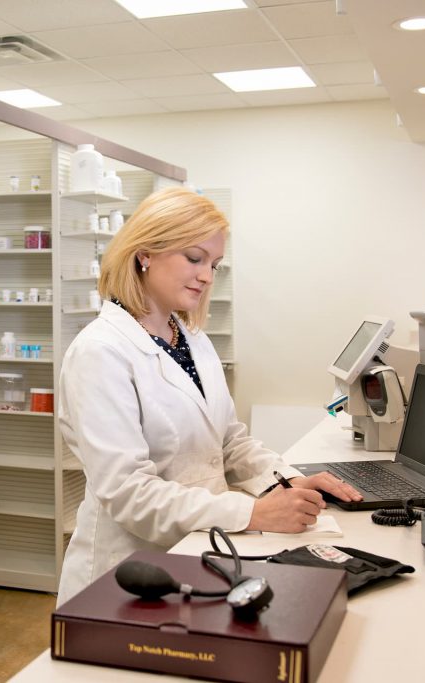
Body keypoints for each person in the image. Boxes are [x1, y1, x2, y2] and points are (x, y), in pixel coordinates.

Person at [56, 187, 361, 604]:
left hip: (199, 549)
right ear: (145, 253)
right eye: (194, 258)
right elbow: (128, 492)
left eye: (214, 264)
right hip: (129, 570)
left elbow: (230, 440)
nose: (206, 276)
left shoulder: (191, 338)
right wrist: (252, 513)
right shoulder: (101, 352)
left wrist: (286, 481)